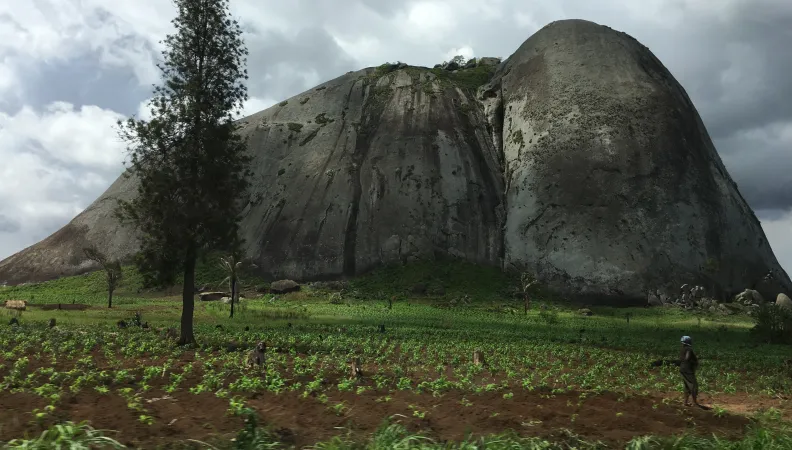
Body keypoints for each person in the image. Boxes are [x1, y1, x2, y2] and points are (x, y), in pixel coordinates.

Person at [679, 335, 700, 407]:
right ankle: (694, 403)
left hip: (682, 369)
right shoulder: (689, 349)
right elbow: (687, 358)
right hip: (687, 370)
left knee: (687, 386)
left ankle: (685, 402)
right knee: (694, 385)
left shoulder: (683, 349)